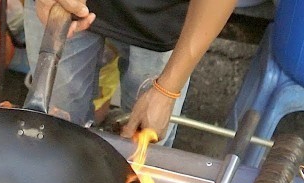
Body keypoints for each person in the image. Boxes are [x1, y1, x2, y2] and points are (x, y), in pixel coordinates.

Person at [24, 0, 238, 146]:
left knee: (144, 146)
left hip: (162, 17)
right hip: (65, 6)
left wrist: (167, 90)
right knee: (53, 132)